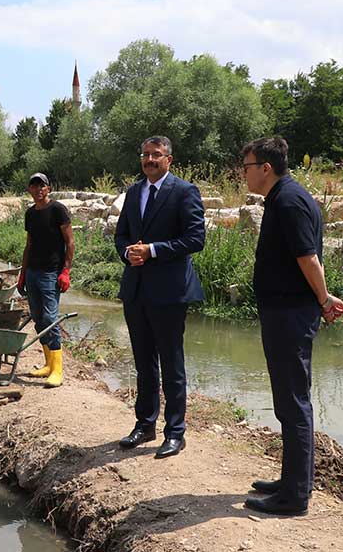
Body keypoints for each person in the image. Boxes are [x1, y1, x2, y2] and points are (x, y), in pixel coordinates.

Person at [241, 137, 343, 516]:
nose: (244, 173)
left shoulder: (287, 201)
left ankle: (295, 496)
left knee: (294, 403)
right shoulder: (286, 196)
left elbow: (307, 257)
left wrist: (324, 299)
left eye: (248, 166)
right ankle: (291, 481)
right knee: (289, 403)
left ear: (265, 168)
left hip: (290, 314)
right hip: (285, 312)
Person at [113, 136, 205, 457]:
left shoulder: (184, 192)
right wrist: (128, 253)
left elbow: (196, 238)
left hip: (169, 290)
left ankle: (175, 432)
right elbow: (122, 234)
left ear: (169, 159)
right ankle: (145, 424)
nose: (150, 159)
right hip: (136, 288)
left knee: (171, 362)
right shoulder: (134, 191)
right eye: (146, 155)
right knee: (144, 362)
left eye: (157, 155)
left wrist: (152, 250)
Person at [16, 173, 74, 388]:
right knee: (39, 318)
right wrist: (23, 273)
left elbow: (70, 242)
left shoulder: (58, 210)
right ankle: (48, 364)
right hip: (32, 270)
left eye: (42, 186)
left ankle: (58, 371)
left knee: (50, 318)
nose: (38, 189)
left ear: (48, 189)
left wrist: (65, 271)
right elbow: (29, 244)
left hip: (51, 272)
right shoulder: (30, 214)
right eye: (34, 186)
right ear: (30, 190)